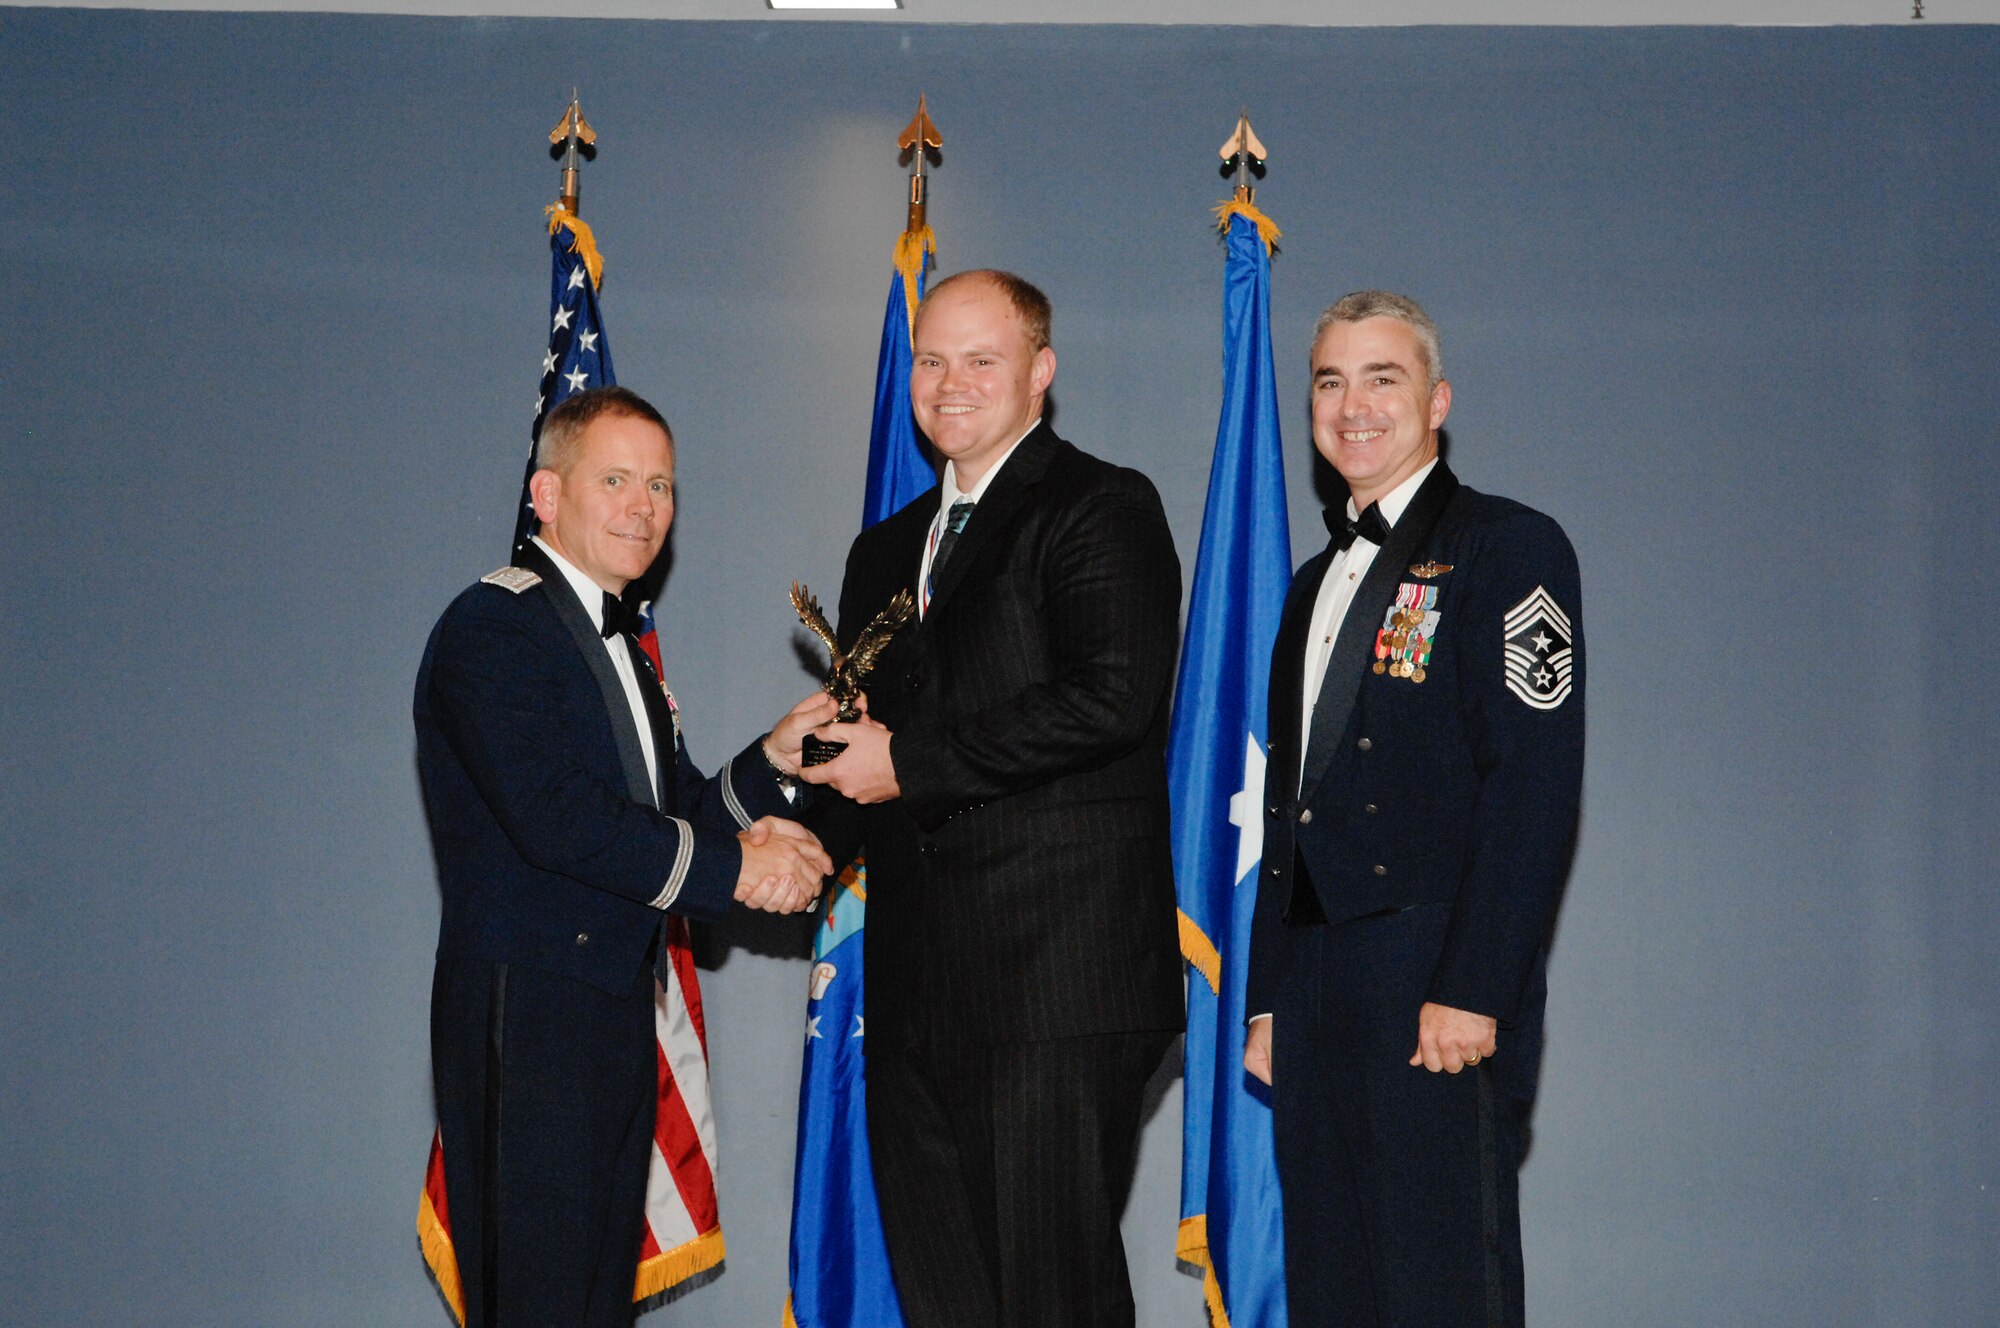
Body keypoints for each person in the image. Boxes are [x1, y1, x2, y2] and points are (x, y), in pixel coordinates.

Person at [797, 270, 1184, 1328]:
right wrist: (785, 830)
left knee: (1050, 1300)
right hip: (917, 991)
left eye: (980, 359)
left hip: (1056, 982)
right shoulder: (885, 547)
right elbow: (868, 745)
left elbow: (1112, 697)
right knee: (945, 1297)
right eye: (930, 360)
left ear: (1039, 374)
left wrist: (909, 767)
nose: (949, 382)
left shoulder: (1099, 504)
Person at [415, 385, 835, 1328]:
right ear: (546, 496)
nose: (644, 506)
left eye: (661, 484)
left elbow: (674, 810)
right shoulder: (495, 627)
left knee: (596, 1302)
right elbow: (558, 820)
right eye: (615, 479)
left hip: (608, 1010)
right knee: (537, 1298)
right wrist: (739, 872)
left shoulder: (622, 646)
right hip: (529, 1014)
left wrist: (770, 768)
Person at [1244, 291, 1584, 1327]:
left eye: (1381, 378)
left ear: (1435, 400)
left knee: (1439, 1291)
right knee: (1334, 1291)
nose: (1352, 405)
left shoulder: (1508, 547)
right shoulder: (1309, 586)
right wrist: (1267, 993)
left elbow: (1531, 784)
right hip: (1313, 996)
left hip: (1433, 986)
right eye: (1329, 380)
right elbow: (1283, 805)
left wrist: (1475, 984)